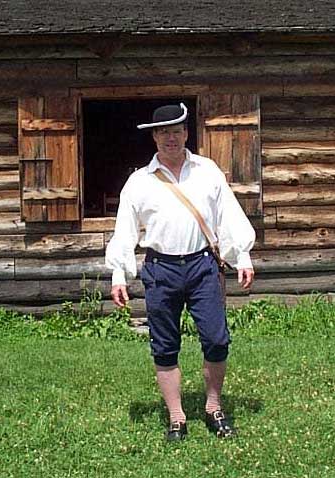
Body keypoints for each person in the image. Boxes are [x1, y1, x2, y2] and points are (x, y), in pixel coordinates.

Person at [105, 102, 255, 441]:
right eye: (163, 132)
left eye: (176, 131)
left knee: (217, 340)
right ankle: (176, 417)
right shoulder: (139, 182)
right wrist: (119, 275)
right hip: (161, 269)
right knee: (164, 345)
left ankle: (213, 408)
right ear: (154, 138)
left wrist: (241, 256)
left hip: (203, 266)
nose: (170, 138)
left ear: (186, 133)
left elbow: (228, 215)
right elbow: (125, 230)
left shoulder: (207, 170)